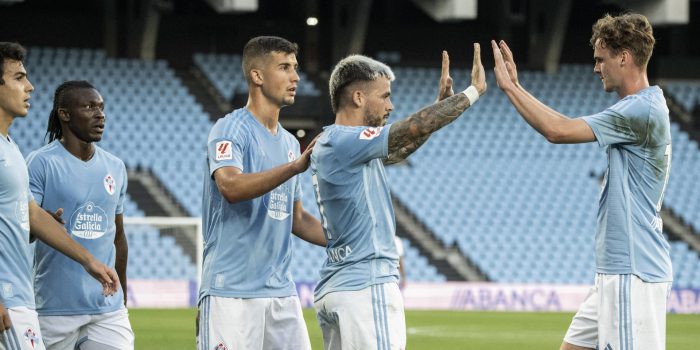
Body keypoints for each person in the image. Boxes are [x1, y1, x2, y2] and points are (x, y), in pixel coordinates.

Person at [491, 13, 672, 350]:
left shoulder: (640, 110)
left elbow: (557, 130)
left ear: (624, 57)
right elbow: (561, 124)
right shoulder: (640, 107)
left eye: (600, 59)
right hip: (614, 270)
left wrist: (511, 87)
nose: (595, 67)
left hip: (633, 272)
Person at [311, 45, 486, 349]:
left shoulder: (339, 143)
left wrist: (440, 106)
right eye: (385, 95)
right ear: (358, 97)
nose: (391, 105)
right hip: (366, 285)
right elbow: (410, 127)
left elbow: (404, 144)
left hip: (339, 287)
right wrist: (473, 92)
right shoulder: (347, 140)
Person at [198, 36, 326, 350]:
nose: (295, 77)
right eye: (284, 67)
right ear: (257, 76)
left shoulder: (288, 144)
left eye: (295, 68)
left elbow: (296, 219)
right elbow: (230, 186)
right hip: (232, 291)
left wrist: (347, 240)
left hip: (281, 292)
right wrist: (294, 168)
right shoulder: (230, 129)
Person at [0, 42, 118, 350]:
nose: (30, 86)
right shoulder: (33, 159)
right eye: (18, 77)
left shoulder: (10, 148)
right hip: (7, 297)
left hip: (19, 296)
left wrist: (89, 261)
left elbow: (33, 214)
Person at [25, 81, 133, 350]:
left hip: (106, 308)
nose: (100, 114)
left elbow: (117, 235)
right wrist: (42, 223)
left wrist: (122, 292)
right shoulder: (41, 163)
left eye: (101, 107)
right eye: (89, 107)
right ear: (65, 114)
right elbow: (22, 228)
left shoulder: (116, 167)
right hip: (54, 308)